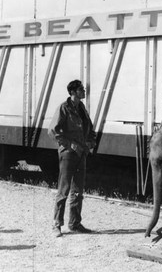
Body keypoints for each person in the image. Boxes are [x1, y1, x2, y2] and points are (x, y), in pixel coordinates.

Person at [49, 79, 96, 237]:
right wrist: (70, 145)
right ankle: (57, 225)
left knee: (78, 191)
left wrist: (90, 143)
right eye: (81, 89)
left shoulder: (81, 108)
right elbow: (53, 131)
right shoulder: (64, 108)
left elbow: (90, 128)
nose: (84, 91)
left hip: (81, 153)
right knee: (64, 190)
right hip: (68, 154)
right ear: (73, 92)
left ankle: (75, 223)